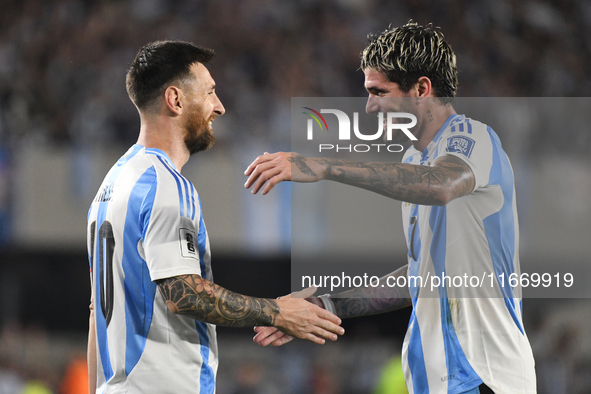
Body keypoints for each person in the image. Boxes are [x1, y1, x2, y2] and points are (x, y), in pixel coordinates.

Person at [244, 22, 536, 394]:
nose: (369, 107)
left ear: (422, 89)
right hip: (436, 381)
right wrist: (327, 304)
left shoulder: (473, 137)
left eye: (378, 92)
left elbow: (443, 185)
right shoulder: (415, 158)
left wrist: (325, 166)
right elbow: (418, 278)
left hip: (483, 376)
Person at [86, 40, 344, 394]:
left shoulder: (110, 186)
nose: (219, 107)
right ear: (175, 100)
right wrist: (278, 311)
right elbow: (184, 294)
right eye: (209, 93)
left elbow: (95, 315)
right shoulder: (165, 185)